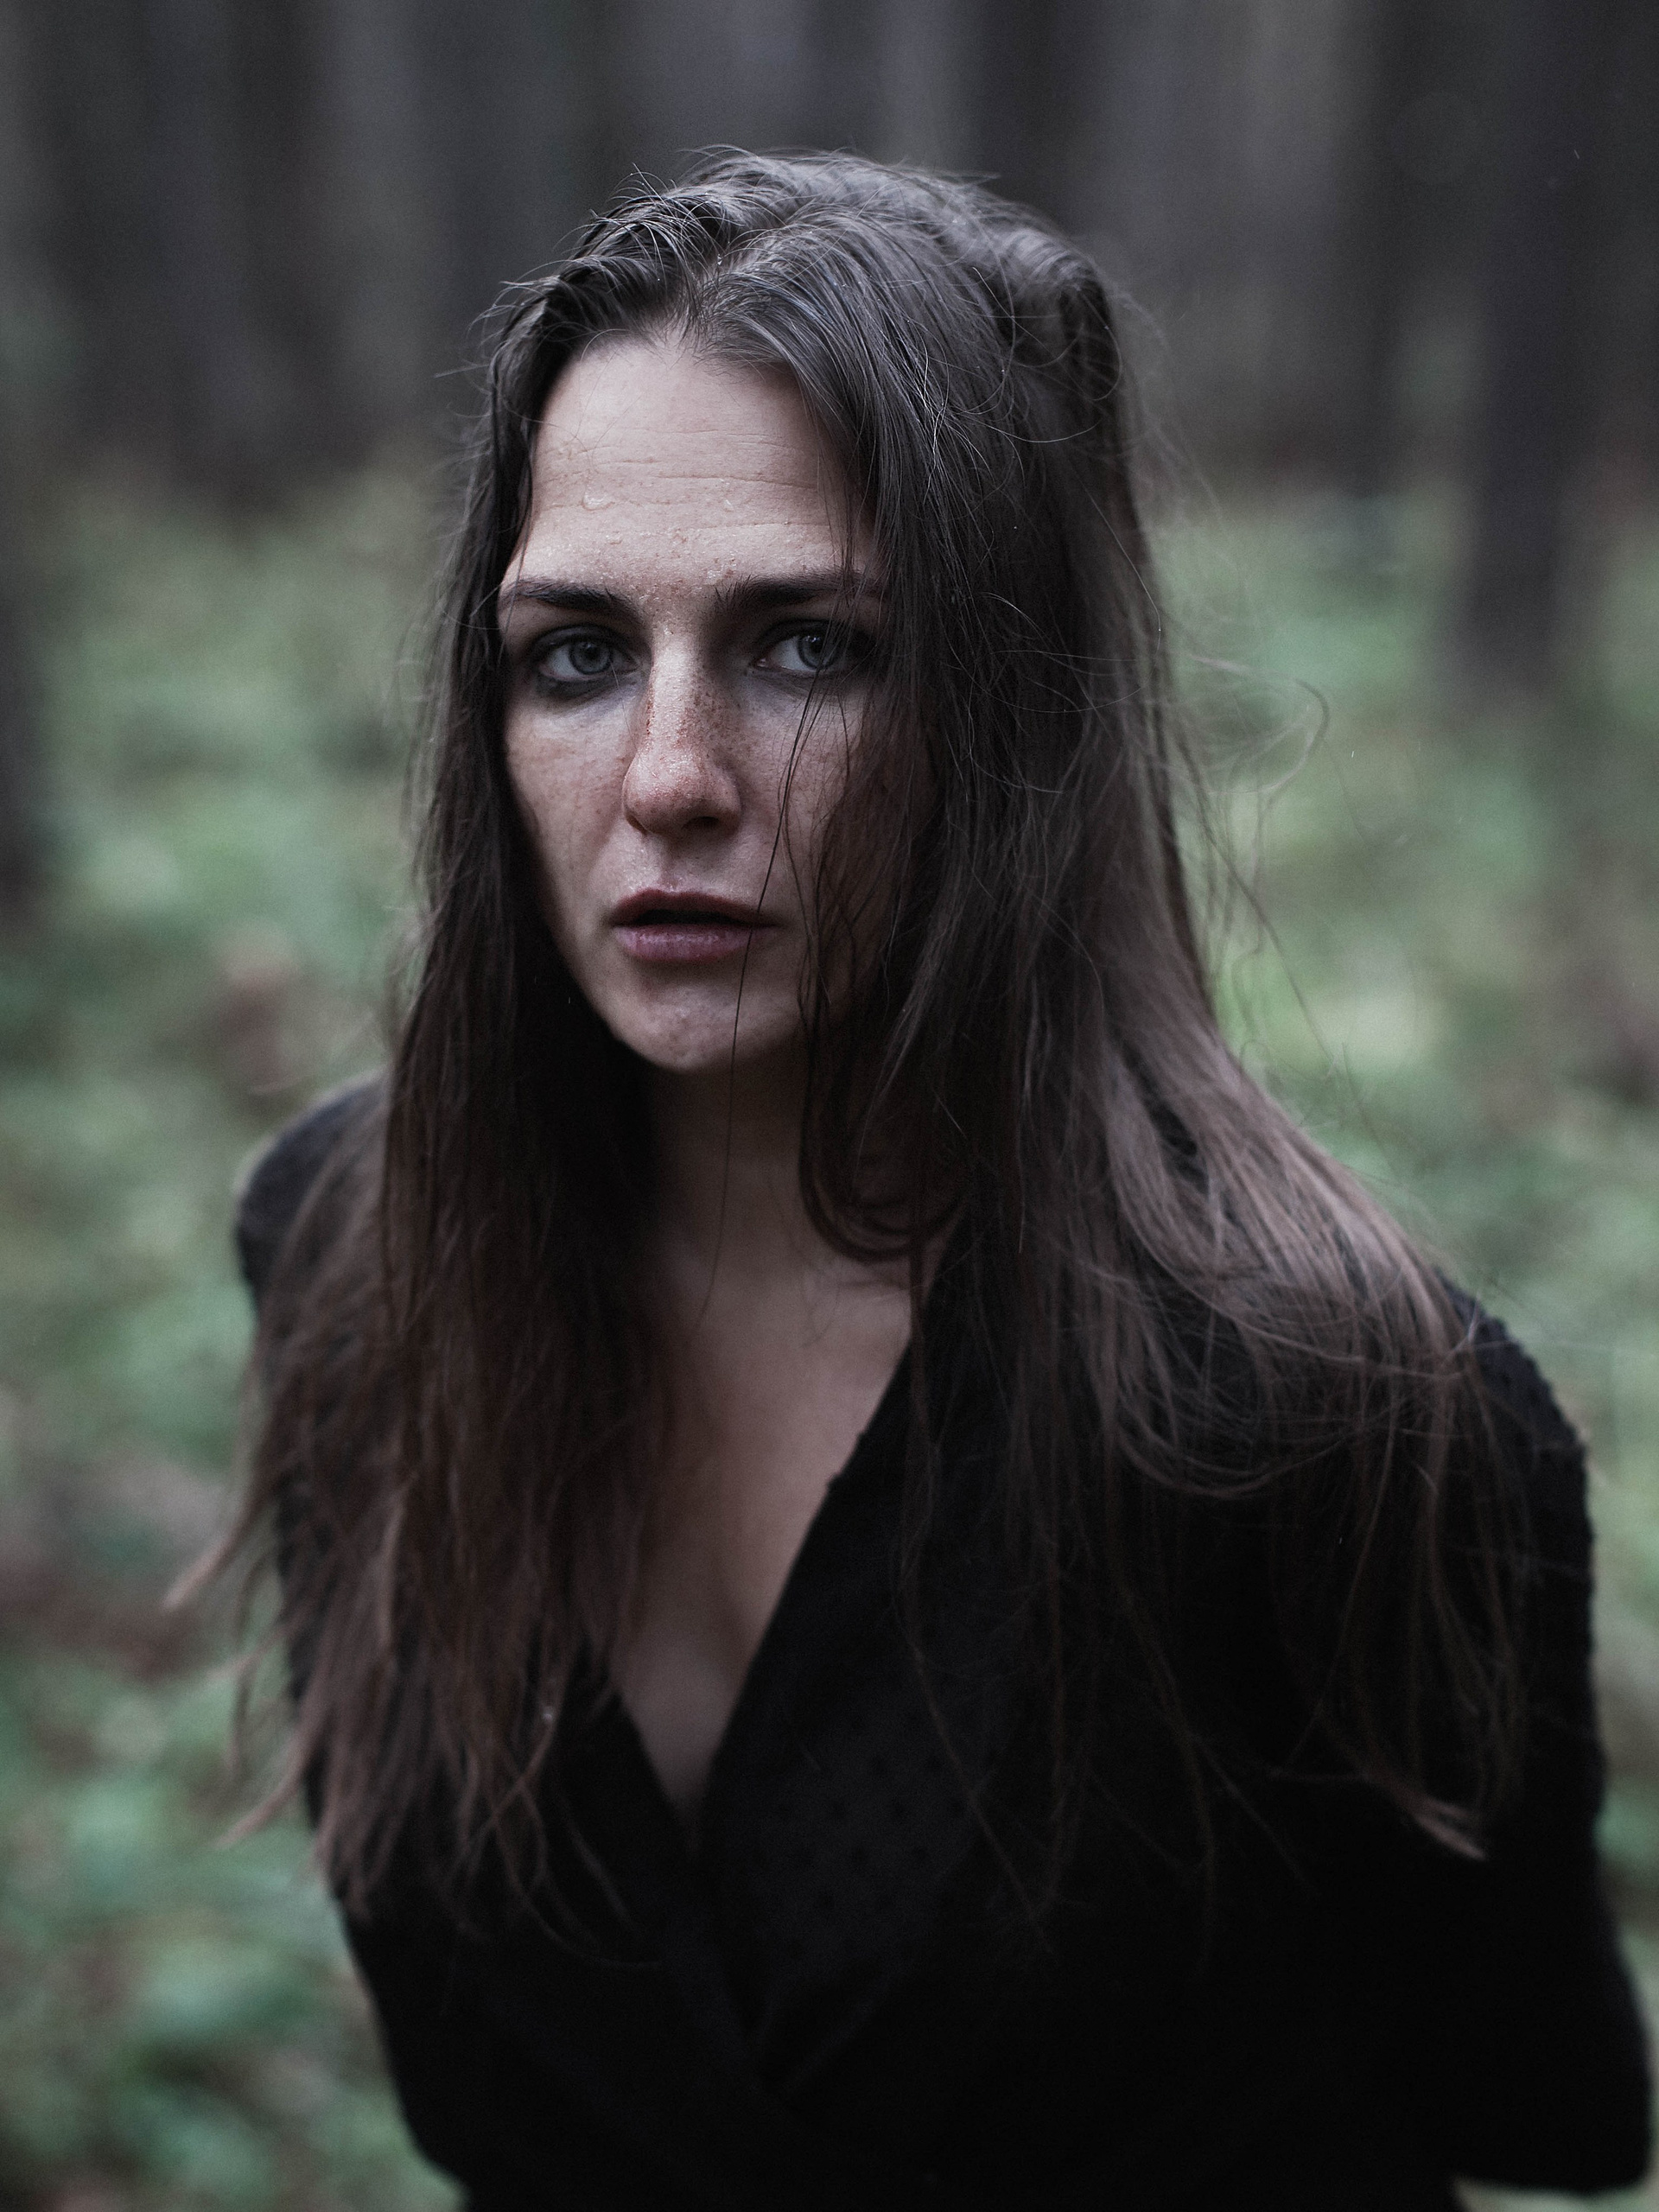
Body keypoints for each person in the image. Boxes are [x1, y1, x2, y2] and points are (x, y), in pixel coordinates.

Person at [227, 152, 1650, 2209]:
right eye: (577, 655)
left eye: (810, 647)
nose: (669, 776)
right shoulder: (358, 1254)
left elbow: (1527, 2100)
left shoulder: (1328, 1409)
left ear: (1011, 706)